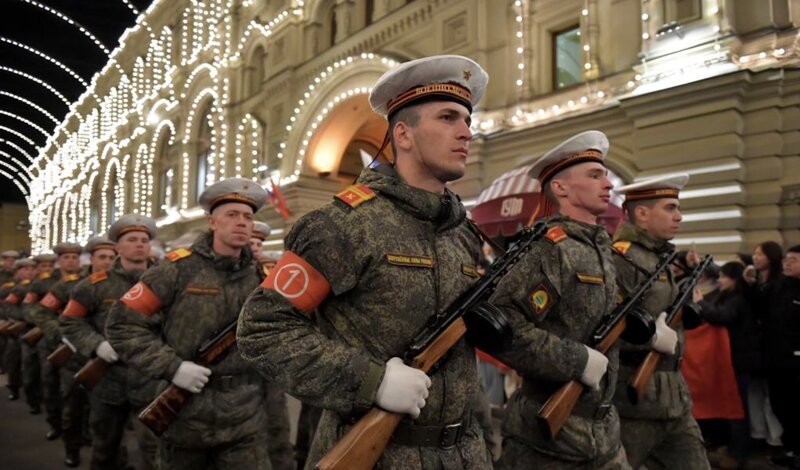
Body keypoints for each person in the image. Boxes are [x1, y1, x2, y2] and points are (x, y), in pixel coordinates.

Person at [238, 55, 492, 469]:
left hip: (464, 454)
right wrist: (370, 381)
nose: (467, 132)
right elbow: (263, 330)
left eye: (467, 119)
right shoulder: (342, 224)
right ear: (403, 135)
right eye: (448, 118)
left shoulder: (462, 232)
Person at [106, 179, 277, 469]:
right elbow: (123, 325)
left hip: (246, 417)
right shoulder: (175, 269)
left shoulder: (261, 277)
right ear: (212, 222)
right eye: (232, 215)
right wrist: (172, 367)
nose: (242, 223)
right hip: (186, 415)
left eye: (248, 217)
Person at [482, 130, 626, 469]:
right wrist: (575, 360)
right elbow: (502, 325)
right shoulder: (549, 248)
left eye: (605, 174)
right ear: (561, 188)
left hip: (602, 433)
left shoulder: (602, 249)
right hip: (548, 441)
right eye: (595, 175)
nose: (607, 183)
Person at [609, 174, 710, 469]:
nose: (678, 216)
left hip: (674, 400)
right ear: (641, 214)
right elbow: (600, 326)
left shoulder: (659, 258)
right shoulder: (622, 259)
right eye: (670, 208)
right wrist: (649, 337)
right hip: (633, 404)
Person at [60, 216, 160, 469]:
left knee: (156, 451)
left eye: (144, 240)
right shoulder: (94, 286)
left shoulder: (164, 281)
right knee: (105, 448)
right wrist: (96, 345)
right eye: (132, 240)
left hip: (152, 379)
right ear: (118, 247)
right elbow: (70, 321)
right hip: (108, 380)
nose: (140, 245)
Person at [32, 237, 114, 467]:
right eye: (102, 257)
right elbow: (42, 313)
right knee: (73, 408)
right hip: (75, 357)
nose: (107, 262)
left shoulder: (118, 284)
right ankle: (72, 449)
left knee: (105, 417)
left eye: (111, 257)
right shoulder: (68, 286)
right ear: (91, 259)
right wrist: (61, 334)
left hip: (106, 360)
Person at [25, 243, 84, 443]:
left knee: (77, 390)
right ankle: (55, 424)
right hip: (51, 341)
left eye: (74, 257)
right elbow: (33, 309)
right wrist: (52, 328)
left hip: (78, 343)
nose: (71, 261)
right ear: (60, 261)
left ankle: (80, 431)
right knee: (50, 385)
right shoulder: (45, 283)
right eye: (66, 257)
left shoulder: (86, 282)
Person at [744, 241, 784, 451]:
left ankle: (775, 439)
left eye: (759, 254)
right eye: (754, 253)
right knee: (755, 392)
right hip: (756, 347)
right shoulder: (758, 282)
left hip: (772, 348)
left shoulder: (778, 284)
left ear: (771, 257)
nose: (755, 257)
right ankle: (758, 434)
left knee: (772, 396)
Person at [763, 245, 800, 469]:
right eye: (786, 259)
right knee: (781, 405)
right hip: (777, 359)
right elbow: (759, 306)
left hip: (797, 361)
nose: (787, 263)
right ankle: (792, 449)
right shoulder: (778, 287)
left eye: (793, 260)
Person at [2, 258, 35, 402]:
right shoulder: (9, 287)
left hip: (32, 328)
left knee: (31, 364)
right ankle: (14, 387)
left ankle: (33, 393)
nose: (29, 272)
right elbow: (7, 307)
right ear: (17, 271)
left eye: (31, 269)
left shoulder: (37, 285)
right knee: (13, 359)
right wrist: (20, 317)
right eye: (25, 269)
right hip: (15, 327)